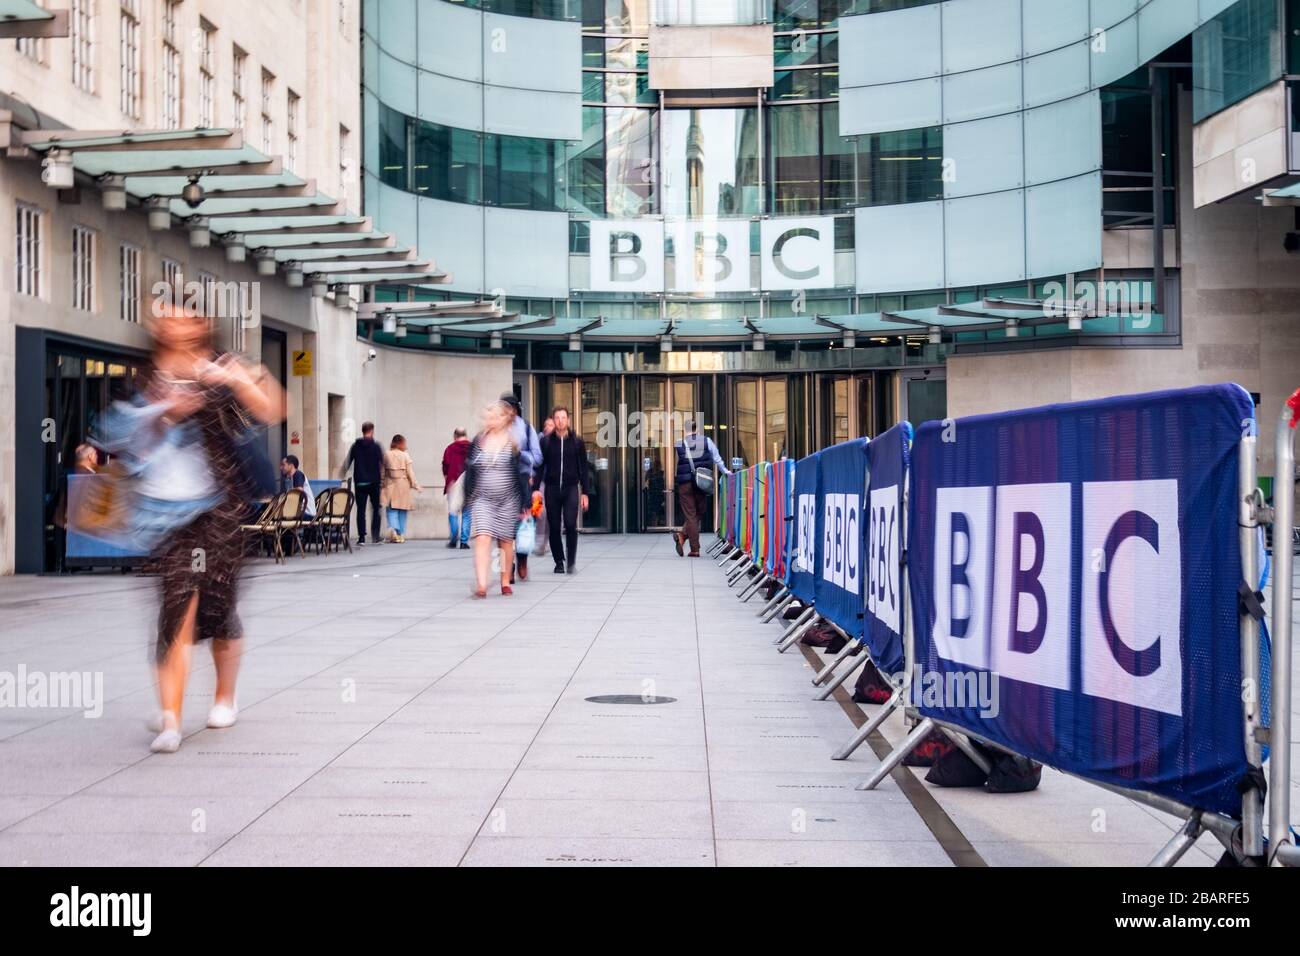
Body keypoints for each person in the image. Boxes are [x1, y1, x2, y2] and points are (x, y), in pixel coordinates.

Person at [131, 306, 284, 753]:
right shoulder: (145, 374)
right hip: (165, 513)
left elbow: (273, 408)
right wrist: (160, 415)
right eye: (166, 317)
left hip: (221, 509)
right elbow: (127, 434)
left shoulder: (225, 364)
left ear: (202, 325)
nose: (173, 323)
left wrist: (235, 381)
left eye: (184, 316)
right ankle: (171, 721)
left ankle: (224, 697)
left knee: (217, 608)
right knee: (175, 609)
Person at [464, 401, 528, 598]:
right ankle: (482, 585)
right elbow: (470, 470)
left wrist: (525, 503)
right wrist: (467, 497)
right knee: (482, 538)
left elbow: (520, 475)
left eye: (495, 416)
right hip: (483, 499)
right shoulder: (479, 441)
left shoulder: (512, 443)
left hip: (508, 500)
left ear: (504, 418)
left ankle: (504, 580)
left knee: (506, 541)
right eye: (488, 416)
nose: (490, 420)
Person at [537, 405, 589, 574]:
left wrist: (585, 493)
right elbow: (539, 466)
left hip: (571, 489)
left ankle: (571, 562)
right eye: (557, 418)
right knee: (553, 527)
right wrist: (535, 489)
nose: (560, 421)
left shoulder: (577, 442)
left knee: (570, 524)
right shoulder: (545, 442)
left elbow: (584, 468)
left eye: (563, 418)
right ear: (553, 420)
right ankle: (559, 560)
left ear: (568, 420)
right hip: (551, 489)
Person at [672, 420, 730, 558]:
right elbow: (717, 458)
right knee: (697, 512)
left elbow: (679, 464)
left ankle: (682, 536)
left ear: (685, 430)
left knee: (693, 513)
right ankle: (694, 549)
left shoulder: (679, 443)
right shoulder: (707, 441)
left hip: (685, 483)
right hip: (701, 482)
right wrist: (726, 472)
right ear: (697, 429)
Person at [500, 393, 541, 581]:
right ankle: (506, 568)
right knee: (502, 527)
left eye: (507, 408)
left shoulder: (525, 427)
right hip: (501, 480)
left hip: (522, 480)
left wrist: (519, 453)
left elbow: (537, 457)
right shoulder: (496, 428)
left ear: (515, 409)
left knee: (523, 524)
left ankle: (522, 559)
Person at [342, 421, 385, 545]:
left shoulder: (355, 446)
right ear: (371, 431)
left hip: (360, 482)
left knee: (361, 510)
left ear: (362, 431)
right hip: (374, 482)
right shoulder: (376, 446)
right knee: (376, 508)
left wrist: (341, 474)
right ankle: (375, 536)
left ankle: (361, 538)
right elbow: (383, 463)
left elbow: (347, 462)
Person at [381, 434, 422, 543]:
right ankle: (400, 534)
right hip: (403, 484)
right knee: (402, 510)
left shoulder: (386, 454)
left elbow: (382, 472)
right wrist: (416, 485)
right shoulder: (405, 455)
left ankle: (394, 530)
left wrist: (381, 485)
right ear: (402, 444)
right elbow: (410, 473)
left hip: (390, 484)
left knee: (391, 510)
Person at [441, 427, 471, 549]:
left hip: (454, 482)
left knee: (453, 511)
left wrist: (448, 481)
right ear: (465, 435)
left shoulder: (449, 449)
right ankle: (464, 542)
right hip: (469, 482)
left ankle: (453, 539)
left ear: (455, 436)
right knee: (467, 512)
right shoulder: (472, 448)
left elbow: (445, 467)